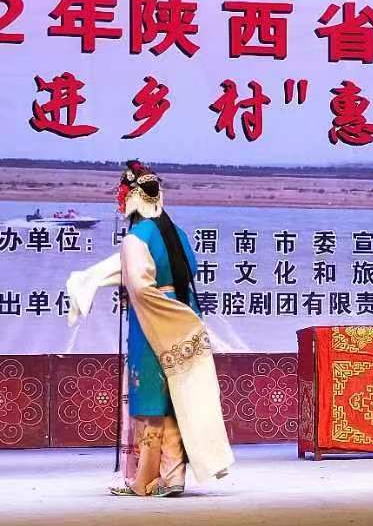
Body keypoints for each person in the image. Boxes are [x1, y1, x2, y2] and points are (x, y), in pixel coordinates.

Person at [66, 160, 233, 496]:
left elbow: (141, 286)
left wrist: (120, 288)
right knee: (176, 398)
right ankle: (172, 475)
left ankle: (145, 479)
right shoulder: (176, 234)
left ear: (131, 196)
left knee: (150, 399)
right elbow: (189, 270)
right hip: (184, 315)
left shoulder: (136, 237)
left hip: (153, 320)